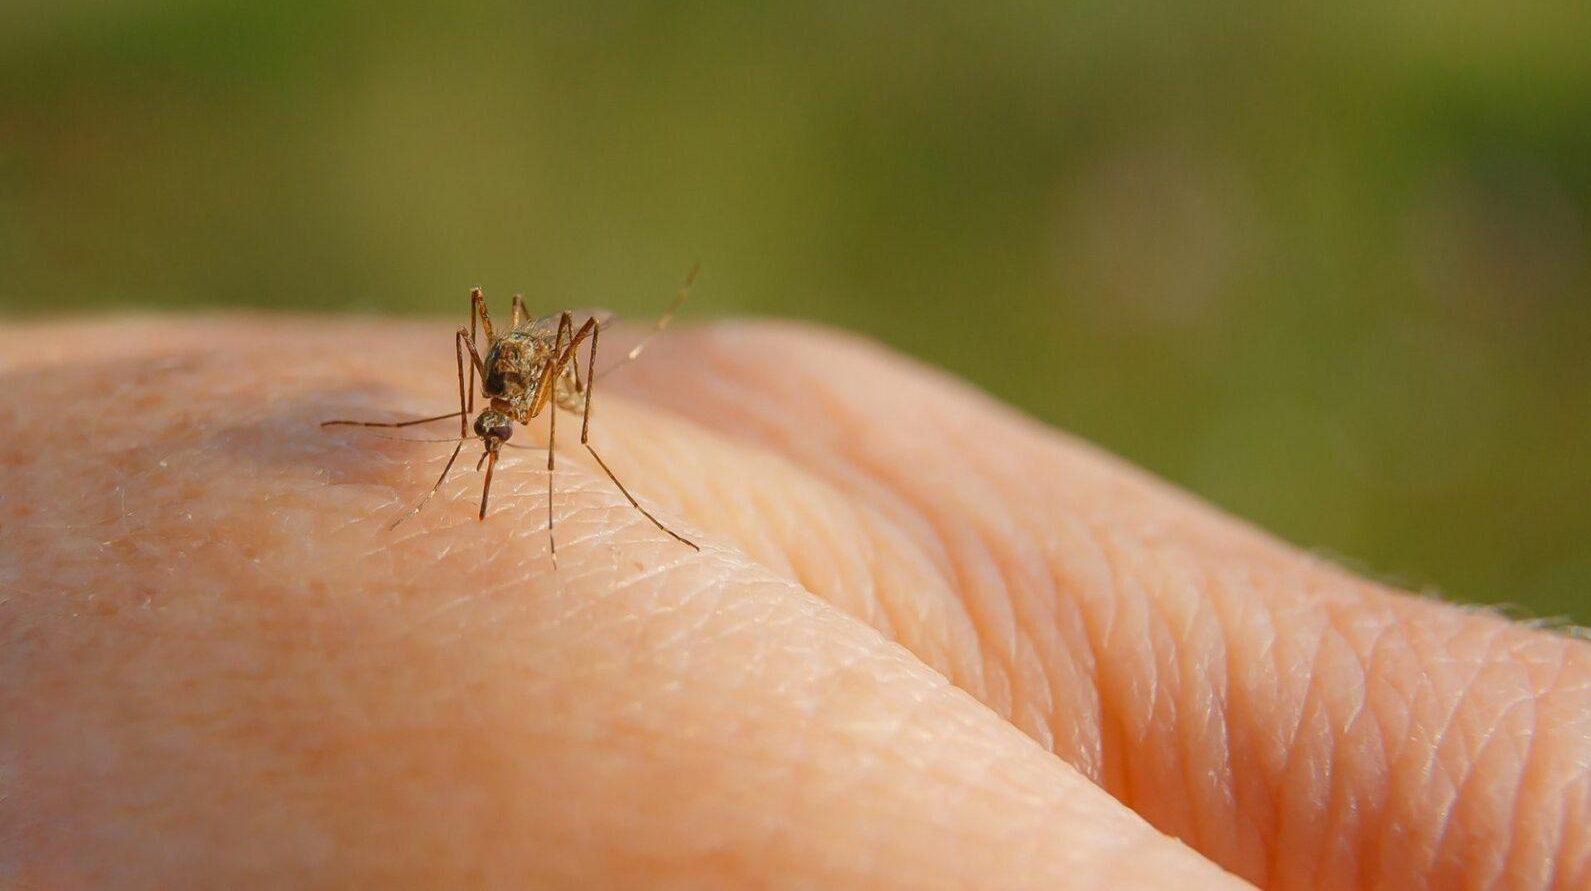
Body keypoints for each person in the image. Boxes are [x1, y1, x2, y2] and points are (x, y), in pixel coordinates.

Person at [3, 316, 1585, 889]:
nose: (492, 436)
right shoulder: (477, 404)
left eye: (497, 417)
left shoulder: (539, 391)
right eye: (492, 417)